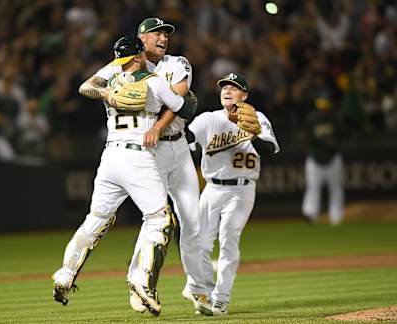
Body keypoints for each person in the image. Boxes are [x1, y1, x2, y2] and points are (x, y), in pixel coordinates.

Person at [79, 17, 214, 315]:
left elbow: (177, 101)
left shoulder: (178, 63)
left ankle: (198, 289)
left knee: (192, 219)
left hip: (177, 146)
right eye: (156, 34)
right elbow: (88, 85)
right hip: (149, 152)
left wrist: (157, 127)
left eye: (166, 34)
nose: (163, 38)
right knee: (155, 218)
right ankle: (139, 282)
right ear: (142, 38)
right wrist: (107, 93)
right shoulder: (124, 64)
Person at [52, 35, 195, 316]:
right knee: (160, 219)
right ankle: (142, 281)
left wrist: (108, 95)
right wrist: (188, 98)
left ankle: (65, 275)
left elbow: (88, 87)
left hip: (109, 158)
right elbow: (183, 108)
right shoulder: (153, 81)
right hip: (136, 156)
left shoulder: (113, 80)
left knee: (97, 218)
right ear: (139, 55)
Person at [187, 72, 280, 315]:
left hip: (242, 189)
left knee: (229, 238)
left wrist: (254, 133)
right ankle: (204, 294)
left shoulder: (257, 118)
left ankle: (222, 298)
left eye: (234, 87)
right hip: (211, 189)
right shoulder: (207, 120)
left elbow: (269, 151)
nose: (227, 90)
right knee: (202, 243)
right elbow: (184, 140)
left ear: (245, 95)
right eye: (224, 87)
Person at [302, 96, 345, 225]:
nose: (323, 110)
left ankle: (336, 217)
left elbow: (342, 137)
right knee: (313, 188)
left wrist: (333, 144)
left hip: (333, 158)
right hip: (315, 159)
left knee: (335, 188)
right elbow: (306, 139)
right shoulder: (311, 119)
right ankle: (310, 214)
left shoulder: (335, 119)